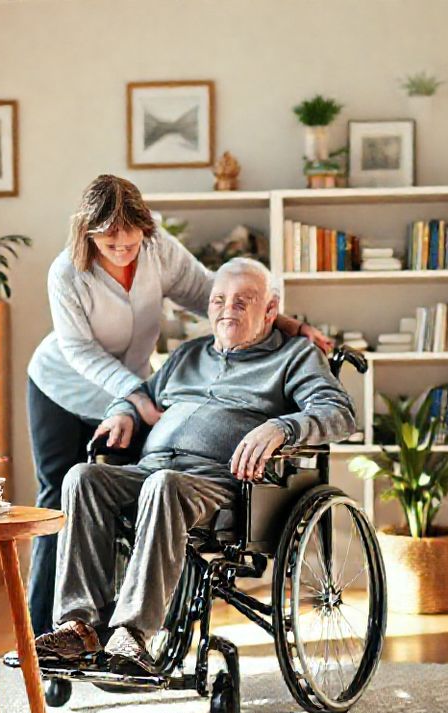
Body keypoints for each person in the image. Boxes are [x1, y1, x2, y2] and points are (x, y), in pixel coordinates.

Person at [24, 175, 332, 636]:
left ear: (145, 229)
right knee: (61, 496)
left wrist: (282, 322)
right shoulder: (66, 272)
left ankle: (128, 632)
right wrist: (133, 401)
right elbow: (80, 352)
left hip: (134, 392)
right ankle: (48, 636)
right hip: (62, 386)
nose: (123, 251)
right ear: (88, 234)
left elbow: (212, 293)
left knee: (151, 489)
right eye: (110, 244)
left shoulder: (158, 249)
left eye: (131, 241)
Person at [33, 258, 356, 674]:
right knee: (82, 477)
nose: (227, 309)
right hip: (151, 470)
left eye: (243, 302)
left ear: (270, 311)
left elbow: (339, 412)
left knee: (164, 485)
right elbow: (141, 394)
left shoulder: (293, 357)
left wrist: (281, 426)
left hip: (222, 484)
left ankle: (132, 636)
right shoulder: (189, 353)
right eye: (220, 300)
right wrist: (122, 414)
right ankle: (79, 627)